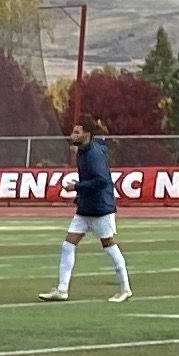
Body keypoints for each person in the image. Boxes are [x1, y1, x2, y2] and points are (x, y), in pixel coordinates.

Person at [51, 118, 131, 299]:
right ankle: (62, 290)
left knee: (108, 244)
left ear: (87, 134)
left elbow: (102, 181)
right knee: (68, 244)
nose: (73, 135)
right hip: (85, 207)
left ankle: (125, 288)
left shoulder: (94, 154)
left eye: (77, 132)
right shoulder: (82, 151)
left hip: (100, 208)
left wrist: (76, 187)